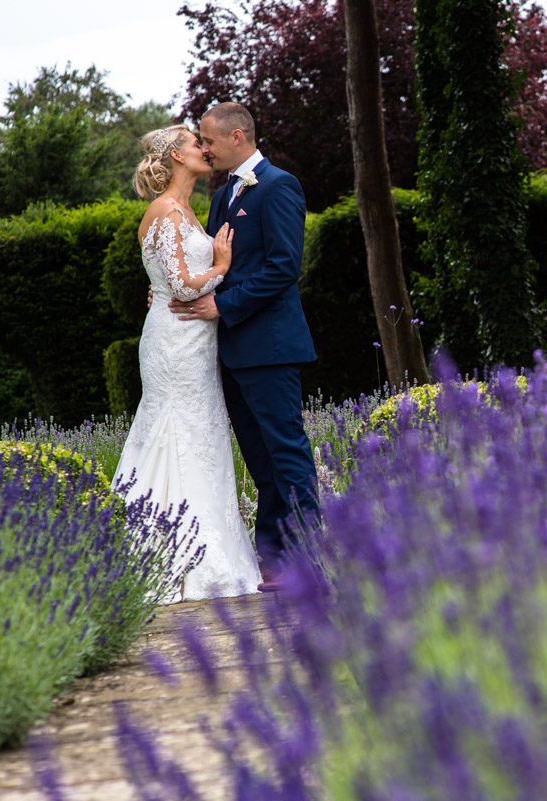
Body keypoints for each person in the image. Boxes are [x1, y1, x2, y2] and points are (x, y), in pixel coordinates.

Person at [169, 103, 320, 593]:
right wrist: (175, 289)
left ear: (238, 136)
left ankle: (307, 558)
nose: (204, 148)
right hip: (232, 350)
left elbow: (283, 268)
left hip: (270, 347)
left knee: (287, 452)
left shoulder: (278, 186)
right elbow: (215, 263)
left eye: (208, 140)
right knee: (261, 460)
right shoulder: (225, 194)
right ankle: (273, 561)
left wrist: (223, 306)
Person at [114, 124, 262, 602]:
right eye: (195, 144)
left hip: (194, 342)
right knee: (174, 433)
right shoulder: (164, 210)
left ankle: (200, 550)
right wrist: (220, 266)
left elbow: (168, 278)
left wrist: (202, 273)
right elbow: (179, 287)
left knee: (200, 437)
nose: (204, 148)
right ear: (176, 156)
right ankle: (163, 557)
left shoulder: (187, 212)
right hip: (176, 342)